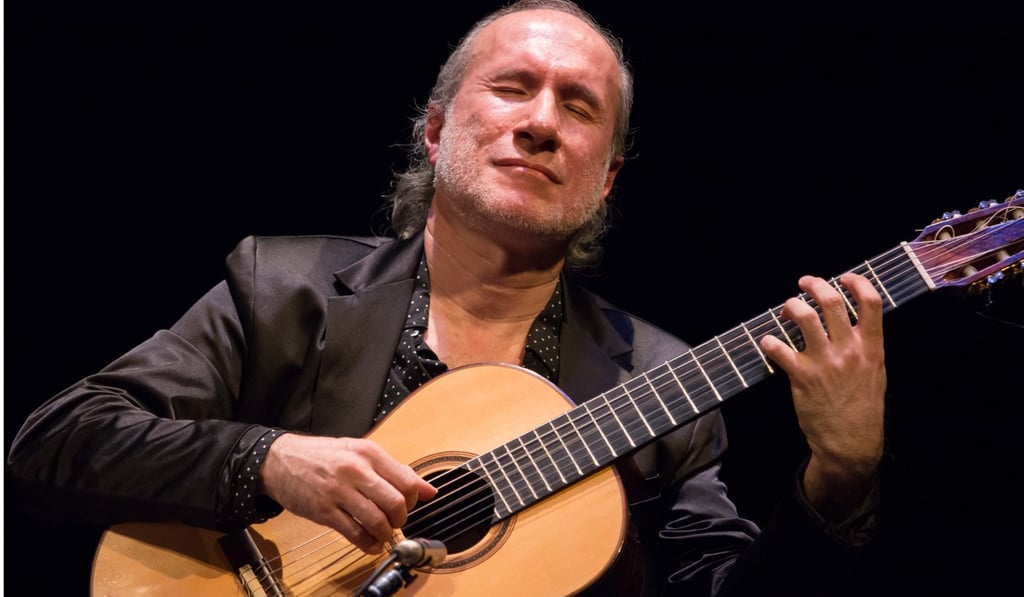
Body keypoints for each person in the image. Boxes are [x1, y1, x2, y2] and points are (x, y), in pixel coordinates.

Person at [7, 0, 888, 594]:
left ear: (607, 178)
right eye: (513, 87)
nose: (542, 121)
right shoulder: (284, 288)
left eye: (579, 108)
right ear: (435, 131)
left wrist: (838, 482)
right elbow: (52, 445)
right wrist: (272, 460)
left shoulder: (660, 384)